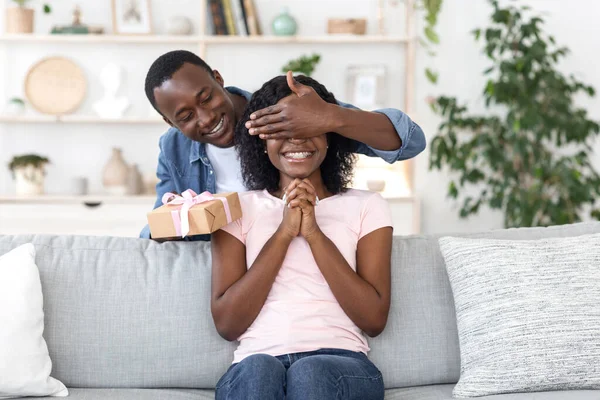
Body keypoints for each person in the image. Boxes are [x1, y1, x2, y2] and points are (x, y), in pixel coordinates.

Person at [211, 75, 393, 399]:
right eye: (282, 131)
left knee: (311, 372)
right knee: (258, 370)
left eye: (308, 128)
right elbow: (227, 325)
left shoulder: (367, 206)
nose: (297, 140)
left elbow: (373, 318)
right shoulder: (235, 209)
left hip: (342, 364)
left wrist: (313, 233)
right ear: (262, 142)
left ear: (329, 136)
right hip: (256, 365)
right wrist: (283, 233)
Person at [140, 50, 425, 240]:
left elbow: (410, 142)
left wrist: (330, 116)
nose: (206, 118)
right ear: (170, 122)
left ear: (218, 79)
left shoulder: (282, 109)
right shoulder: (173, 148)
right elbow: (157, 229)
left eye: (206, 98)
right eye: (186, 117)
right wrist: (177, 220)